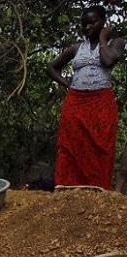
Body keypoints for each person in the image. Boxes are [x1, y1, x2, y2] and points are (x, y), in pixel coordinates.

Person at [46, 5, 125, 190]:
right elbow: (51, 68)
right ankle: (68, 188)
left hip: (101, 102)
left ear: (103, 22)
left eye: (93, 22)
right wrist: (68, 84)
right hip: (75, 102)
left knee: (101, 145)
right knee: (71, 145)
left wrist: (103, 38)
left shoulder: (116, 43)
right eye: (84, 24)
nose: (88, 27)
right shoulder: (76, 48)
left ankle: (96, 189)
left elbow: (109, 60)